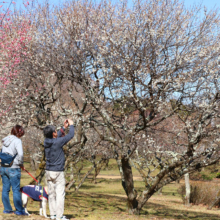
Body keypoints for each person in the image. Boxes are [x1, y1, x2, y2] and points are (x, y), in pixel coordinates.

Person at [43, 119, 74, 220]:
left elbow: (56, 137)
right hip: (58, 172)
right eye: (56, 131)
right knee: (60, 194)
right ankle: (59, 217)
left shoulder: (46, 141)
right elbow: (70, 136)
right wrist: (72, 125)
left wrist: (64, 128)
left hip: (48, 171)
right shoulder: (57, 142)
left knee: (51, 194)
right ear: (53, 133)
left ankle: (53, 215)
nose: (57, 132)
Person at [0, 125, 28, 215]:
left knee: (5, 189)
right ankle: (19, 210)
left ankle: (7, 209)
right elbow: (20, 154)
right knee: (15, 189)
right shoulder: (17, 141)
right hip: (13, 167)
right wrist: (21, 164)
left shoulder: (5, 140)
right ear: (20, 132)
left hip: (3, 167)